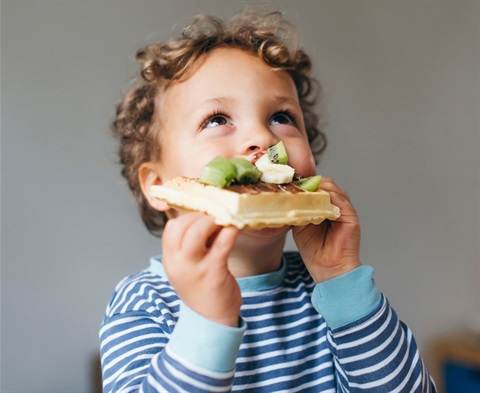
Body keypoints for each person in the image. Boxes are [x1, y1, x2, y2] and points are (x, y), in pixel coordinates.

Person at [100, 9, 436, 392]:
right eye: (216, 119)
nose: (262, 136)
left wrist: (342, 279)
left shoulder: (327, 289)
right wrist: (206, 321)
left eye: (281, 116)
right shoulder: (145, 302)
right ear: (159, 183)